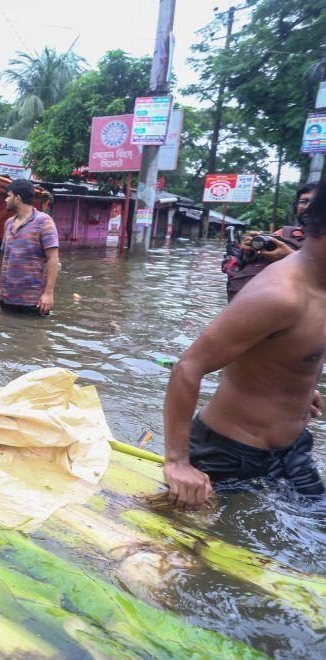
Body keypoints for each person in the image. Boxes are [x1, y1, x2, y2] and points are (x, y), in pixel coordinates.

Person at [162, 176, 326, 508]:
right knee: (200, 555)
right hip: (228, 456)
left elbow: (289, 350)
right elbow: (189, 367)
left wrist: (300, 386)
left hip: (292, 449)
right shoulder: (280, 295)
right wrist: (177, 462)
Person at [221, 183, 317, 301]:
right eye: (303, 202)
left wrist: (291, 257)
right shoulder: (283, 233)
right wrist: (248, 252)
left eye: (317, 203)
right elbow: (248, 266)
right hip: (247, 307)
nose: (308, 207)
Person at [0, 178, 59, 316]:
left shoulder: (44, 221)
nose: (5, 200)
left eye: (8, 196)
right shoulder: (8, 223)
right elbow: (5, 257)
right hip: (7, 298)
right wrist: (0, 287)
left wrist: (48, 293)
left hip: (32, 301)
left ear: (17, 198)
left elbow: (53, 258)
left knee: (33, 335)